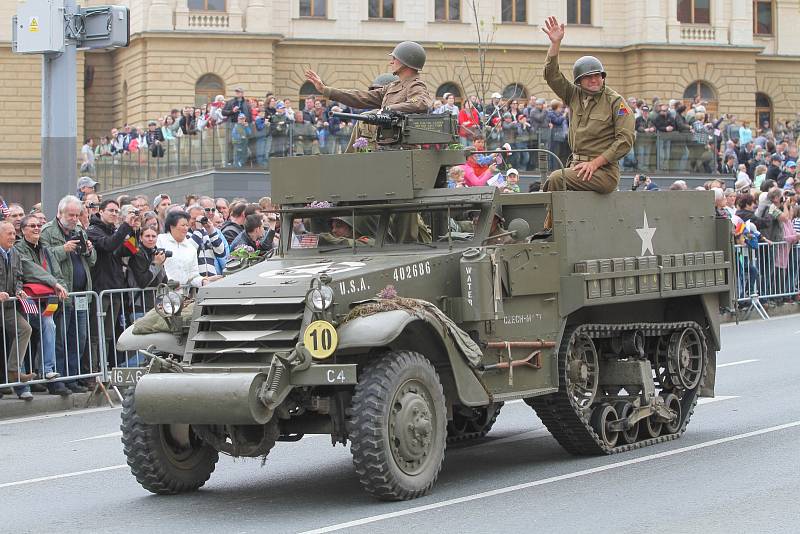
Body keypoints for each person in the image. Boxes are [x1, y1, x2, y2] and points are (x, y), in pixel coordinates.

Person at [539, 16, 634, 228]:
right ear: (579, 81)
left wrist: (596, 163)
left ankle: (550, 231)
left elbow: (625, 140)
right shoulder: (575, 96)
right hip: (577, 167)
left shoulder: (616, 102)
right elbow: (552, 76)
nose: (594, 80)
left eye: (598, 76)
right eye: (589, 77)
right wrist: (555, 44)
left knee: (556, 179)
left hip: (603, 172)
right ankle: (562, 228)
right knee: (550, 184)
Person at [40, 195, 97, 392]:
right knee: (60, 339)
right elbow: (44, 258)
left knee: (79, 338)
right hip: (63, 293)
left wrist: (89, 250)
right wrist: (63, 249)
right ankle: (59, 378)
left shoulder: (80, 230)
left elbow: (92, 262)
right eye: (71, 215)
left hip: (81, 293)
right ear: (60, 213)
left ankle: (74, 377)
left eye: (77, 215)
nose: (74, 218)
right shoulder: (48, 231)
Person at [14, 215, 70, 398]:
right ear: (23, 230)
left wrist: (62, 290)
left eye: (38, 225)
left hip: (46, 300)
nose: (37, 228)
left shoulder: (45, 250)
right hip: (25, 300)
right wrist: (55, 283)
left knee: (49, 325)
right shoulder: (18, 249)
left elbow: (57, 273)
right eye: (32, 226)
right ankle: (22, 386)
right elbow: (31, 269)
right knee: (23, 333)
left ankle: (48, 369)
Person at [304, 41, 432, 117]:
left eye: (394, 58)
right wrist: (326, 90)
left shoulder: (416, 86)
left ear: (406, 62)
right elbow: (361, 97)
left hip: (399, 144)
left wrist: (387, 109)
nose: (391, 62)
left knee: (367, 118)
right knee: (364, 118)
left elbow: (420, 103)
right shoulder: (392, 87)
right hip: (386, 140)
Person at [87, 199, 137, 367]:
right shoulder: (93, 230)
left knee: (108, 334)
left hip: (115, 289)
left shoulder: (115, 231)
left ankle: (104, 367)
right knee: (95, 333)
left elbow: (130, 250)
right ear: (100, 211)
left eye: (117, 211)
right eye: (111, 210)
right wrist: (124, 227)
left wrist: (133, 232)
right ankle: (93, 370)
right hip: (100, 289)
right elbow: (108, 245)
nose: (114, 214)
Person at [0, 221, 34, 395]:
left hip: (8, 307)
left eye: (14, 233)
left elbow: (19, 276)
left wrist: (19, 290)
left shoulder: (14, 253)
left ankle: (13, 370)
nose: (13, 237)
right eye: (9, 234)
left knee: (25, 329)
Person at [156, 211, 207, 290]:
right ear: (172, 226)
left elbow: (193, 276)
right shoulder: (160, 240)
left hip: (181, 296)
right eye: (183, 225)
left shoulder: (191, 247)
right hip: (161, 292)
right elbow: (156, 266)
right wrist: (170, 282)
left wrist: (203, 281)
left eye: (187, 225)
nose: (186, 228)